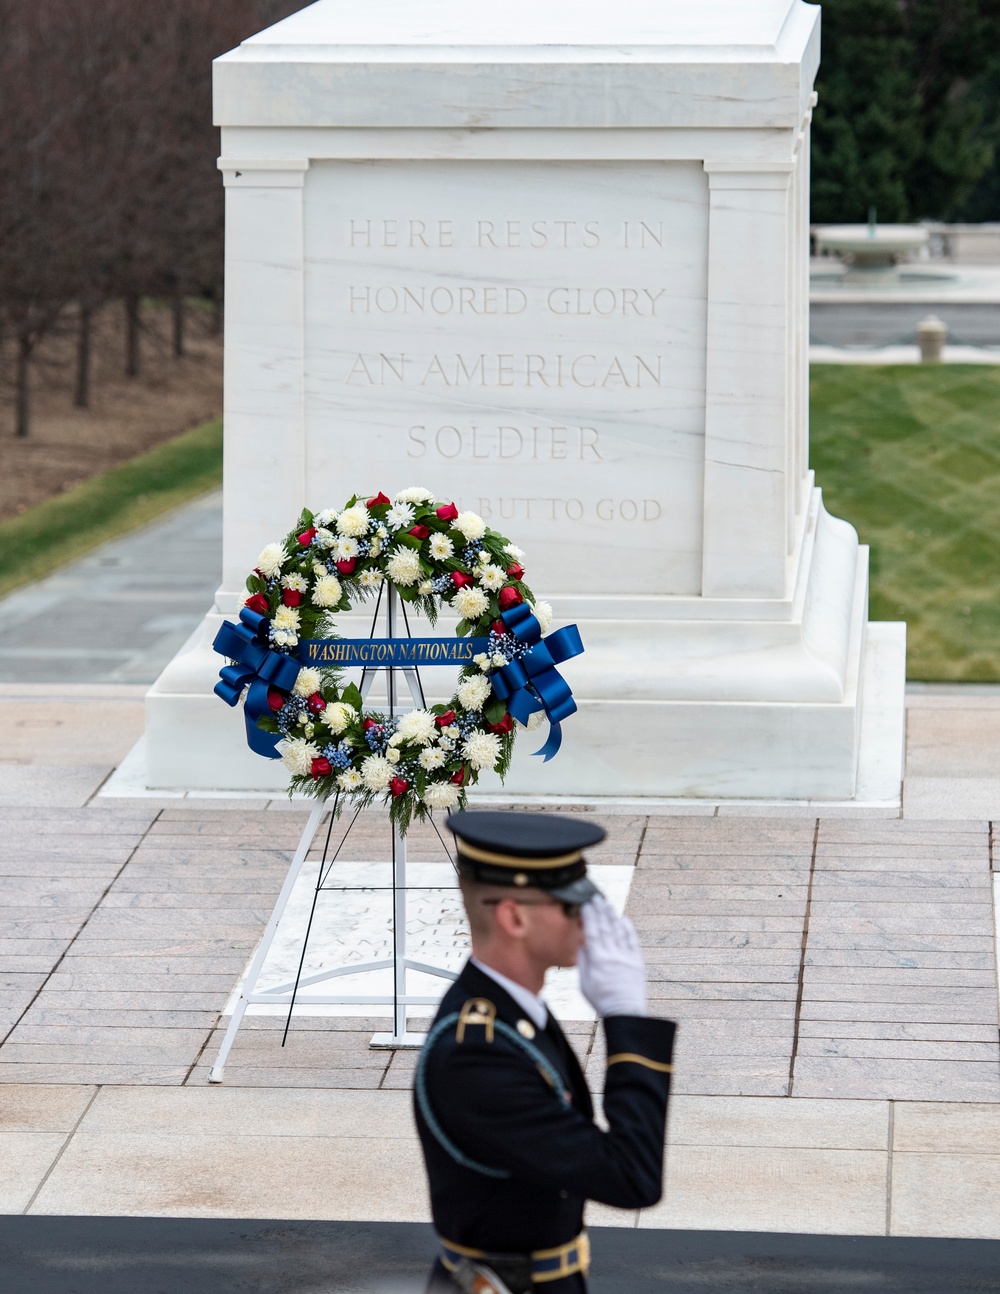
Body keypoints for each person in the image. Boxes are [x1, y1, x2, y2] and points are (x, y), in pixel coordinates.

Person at [413, 810, 676, 1294]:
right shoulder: (478, 1056)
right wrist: (626, 1021)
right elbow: (630, 1176)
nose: (590, 920)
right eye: (573, 905)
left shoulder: (513, 1013)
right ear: (514, 917)